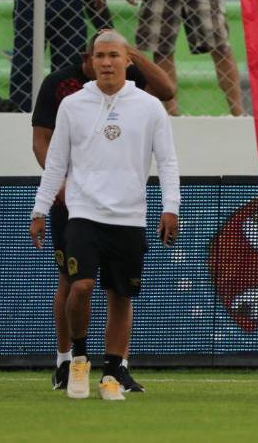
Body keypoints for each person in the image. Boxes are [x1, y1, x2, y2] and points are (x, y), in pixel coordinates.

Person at [29, 30, 180, 401]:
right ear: (91, 61)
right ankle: (78, 357)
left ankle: (113, 370)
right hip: (83, 212)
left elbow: (168, 160)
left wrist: (171, 206)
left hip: (129, 216)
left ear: (128, 60)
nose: (107, 62)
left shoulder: (148, 106)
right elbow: (55, 163)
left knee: (120, 296)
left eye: (114, 55)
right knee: (79, 286)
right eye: (100, 56)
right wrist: (40, 208)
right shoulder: (72, 104)